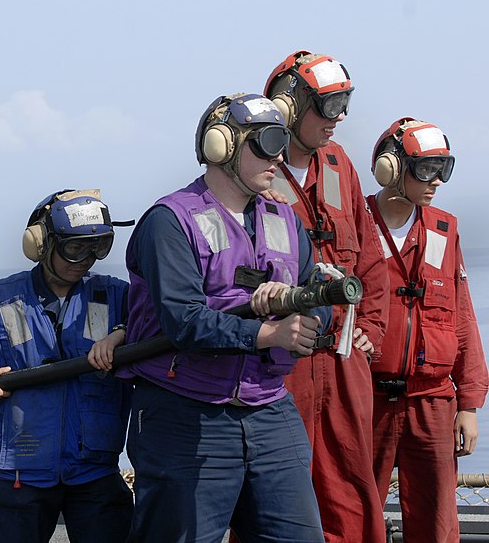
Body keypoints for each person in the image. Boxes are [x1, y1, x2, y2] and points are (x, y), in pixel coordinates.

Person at [118, 93, 333, 542]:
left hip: (269, 409)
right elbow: (183, 321)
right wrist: (269, 332)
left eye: (282, 142)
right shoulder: (170, 221)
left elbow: (319, 298)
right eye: (267, 142)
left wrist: (308, 315)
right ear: (223, 147)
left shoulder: (285, 220)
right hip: (183, 412)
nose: (278, 155)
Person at [0, 189, 133, 543]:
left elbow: (160, 321)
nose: (85, 260)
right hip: (20, 470)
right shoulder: (1, 298)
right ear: (41, 244)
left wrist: (121, 334)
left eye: (98, 247)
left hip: (95, 469)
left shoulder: (115, 295)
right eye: (74, 248)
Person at [264, 50, 389, 542]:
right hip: (282, 362)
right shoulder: (256, 169)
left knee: (351, 491)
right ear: (290, 106)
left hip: (341, 361)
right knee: (276, 490)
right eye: (327, 106)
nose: (338, 119)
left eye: (344, 105)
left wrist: (372, 328)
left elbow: (371, 260)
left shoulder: (339, 164)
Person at [366, 118, 488, 543]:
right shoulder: (355, 226)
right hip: (366, 399)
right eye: (426, 169)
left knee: (438, 525)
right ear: (392, 167)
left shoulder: (444, 229)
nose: (436, 181)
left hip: (432, 401)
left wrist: (469, 405)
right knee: (353, 515)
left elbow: (463, 317)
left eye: (444, 169)